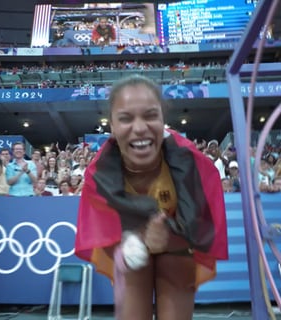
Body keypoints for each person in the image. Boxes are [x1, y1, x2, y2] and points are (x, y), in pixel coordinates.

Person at [75, 75, 228, 320]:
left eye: (150, 115)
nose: (139, 128)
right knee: (134, 267)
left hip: (178, 248)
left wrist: (167, 238)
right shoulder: (98, 175)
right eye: (125, 119)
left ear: (163, 120)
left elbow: (202, 231)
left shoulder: (192, 164)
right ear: (112, 127)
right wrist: (136, 240)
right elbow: (104, 235)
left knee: (175, 265)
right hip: (132, 248)